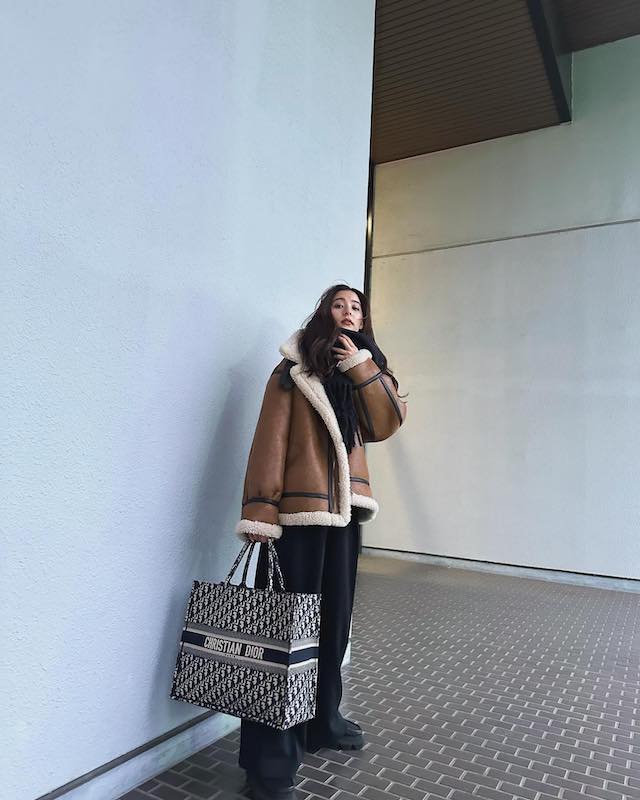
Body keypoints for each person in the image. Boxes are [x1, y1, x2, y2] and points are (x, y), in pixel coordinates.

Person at [235, 283, 408, 800]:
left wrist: (360, 364)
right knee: (282, 637)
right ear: (323, 314)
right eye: (339, 304)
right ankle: (268, 767)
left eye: (357, 307)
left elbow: (388, 421)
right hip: (297, 519)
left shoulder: (362, 372)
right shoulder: (292, 372)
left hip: (344, 519)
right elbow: (268, 441)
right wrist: (260, 512)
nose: (349, 312)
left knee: (334, 627)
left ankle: (322, 721)